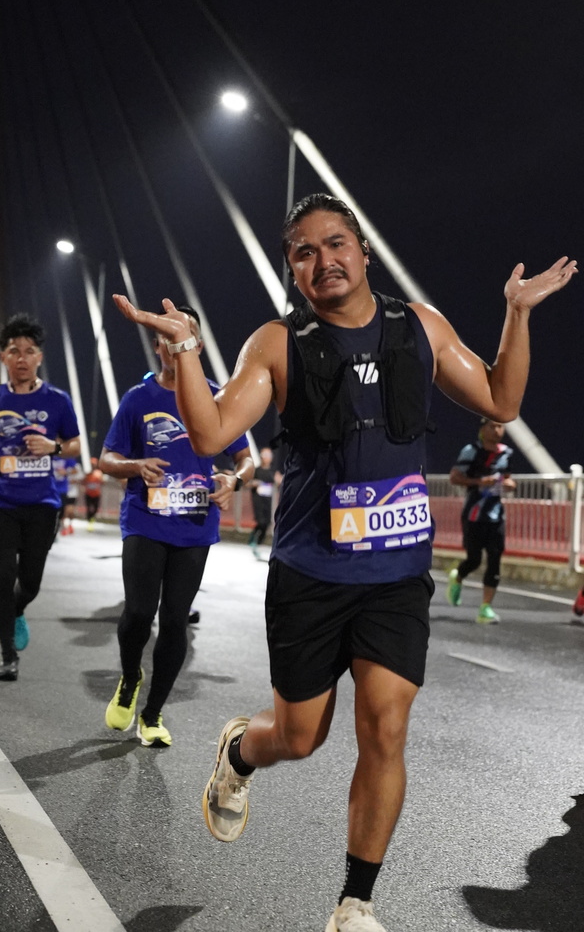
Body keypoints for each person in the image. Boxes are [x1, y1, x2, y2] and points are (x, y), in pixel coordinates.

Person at [111, 193, 577, 932]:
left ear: (361, 250)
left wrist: (517, 313)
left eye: (335, 243)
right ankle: (241, 751)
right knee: (300, 737)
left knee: (386, 729)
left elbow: (500, 397)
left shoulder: (419, 327)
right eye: (304, 251)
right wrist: (190, 351)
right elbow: (211, 434)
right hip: (311, 574)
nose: (323, 259)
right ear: (293, 270)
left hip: (396, 576)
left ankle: (354, 904)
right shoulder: (276, 344)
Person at [100, 305, 254, 748]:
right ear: (158, 346)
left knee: (174, 620)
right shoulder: (138, 399)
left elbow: (246, 460)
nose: (175, 343)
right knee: (138, 613)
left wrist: (234, 480)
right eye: (168, 336)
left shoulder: (218, 398)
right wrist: (134, 465)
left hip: (194, 525)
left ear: (197, 346)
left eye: (184, 335)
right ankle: (131, 677)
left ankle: (152, 714)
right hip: (146, 519)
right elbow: (106, 459)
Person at [0, 313, 81, 681]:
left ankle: (17, 610)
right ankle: (8, 656)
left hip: (42, 504)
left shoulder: (58, 400)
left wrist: (53, 446)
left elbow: (75, 445)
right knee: (3, 578)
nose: (22, 358)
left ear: (39, 358)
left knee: (29, 582)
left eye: (29, 351)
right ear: (3, 357)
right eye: (14, 351)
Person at [447, 418, 516, 623]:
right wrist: (479, 482)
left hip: (496, 514)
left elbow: (508, 478)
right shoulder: (471, 451)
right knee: (474, 559)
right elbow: (454, 477)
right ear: (482, 429)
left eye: (500, 426)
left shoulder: (506, 453)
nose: (497, 430)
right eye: (492, 426)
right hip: (473, 514)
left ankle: (485, 608)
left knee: (495, 558)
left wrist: (510, 484)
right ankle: (458, 576)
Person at [247, 446, 280, 558]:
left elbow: (280, 482)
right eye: (265, 455)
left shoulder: (273, 472)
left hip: (268, 501)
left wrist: (279, 481)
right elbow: (247, 483)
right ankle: (254, 541)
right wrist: (254, 483)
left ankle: (257, 542)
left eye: (269, 455)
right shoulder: (256, 470)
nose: (267, 458)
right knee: (261, 521)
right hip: (258, 500)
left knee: (267, 523)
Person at [53, 455, 82, 535]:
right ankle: (60, 526)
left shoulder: (68, 459)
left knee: (66, 510)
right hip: (52, 488)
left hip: (67, 490)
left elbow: (77, 473)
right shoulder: (49, 456)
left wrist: (66, 472)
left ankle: (66, 525)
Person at [82, 457, 104, 530]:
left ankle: (92, 519)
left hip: (96, 494)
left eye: (93, 464)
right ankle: (89, 521)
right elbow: (83, 481)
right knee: (88, 508)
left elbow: (102, 482)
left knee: (95, 508)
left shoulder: (99, 473)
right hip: (88, 493)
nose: (92, 465)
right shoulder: (87, 474)